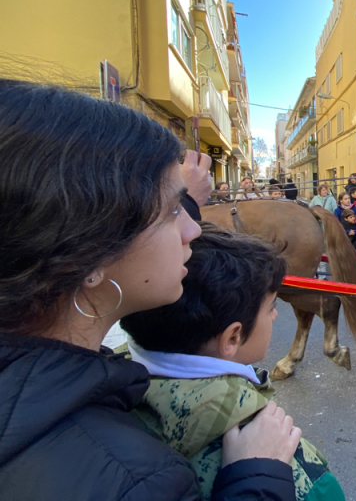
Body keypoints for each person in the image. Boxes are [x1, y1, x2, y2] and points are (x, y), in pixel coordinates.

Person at [0, 80, 299, 500]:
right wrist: (256, 480)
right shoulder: (138, 479)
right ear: (89, 256)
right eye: (174, 210)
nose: (194, 229)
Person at [119, 225, 343, 501]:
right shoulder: (286, 460)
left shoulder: (109, 391)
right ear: (233, 337)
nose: (274, 316)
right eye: (271, 307)